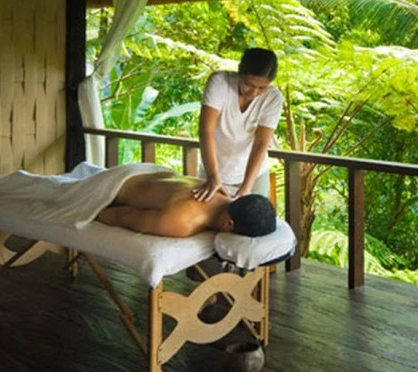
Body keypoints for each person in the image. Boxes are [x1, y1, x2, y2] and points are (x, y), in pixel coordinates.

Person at [192, 48, 284, 202]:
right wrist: (213, 176)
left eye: (261, 88)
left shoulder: (273, 98)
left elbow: (261, 143)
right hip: (213, 168)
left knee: (254, 215)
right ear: (240, 72)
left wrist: (246, 188)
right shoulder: (219, 82)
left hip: (253, 175)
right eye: (249, 84)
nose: (254, 92)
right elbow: (206, 130)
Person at [96, 169, 277, 238]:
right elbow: (122, 216)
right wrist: (89, 213)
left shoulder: (219, 190)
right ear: (229, 224)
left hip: (141, 171)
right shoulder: (183, 221)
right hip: (110, 190)